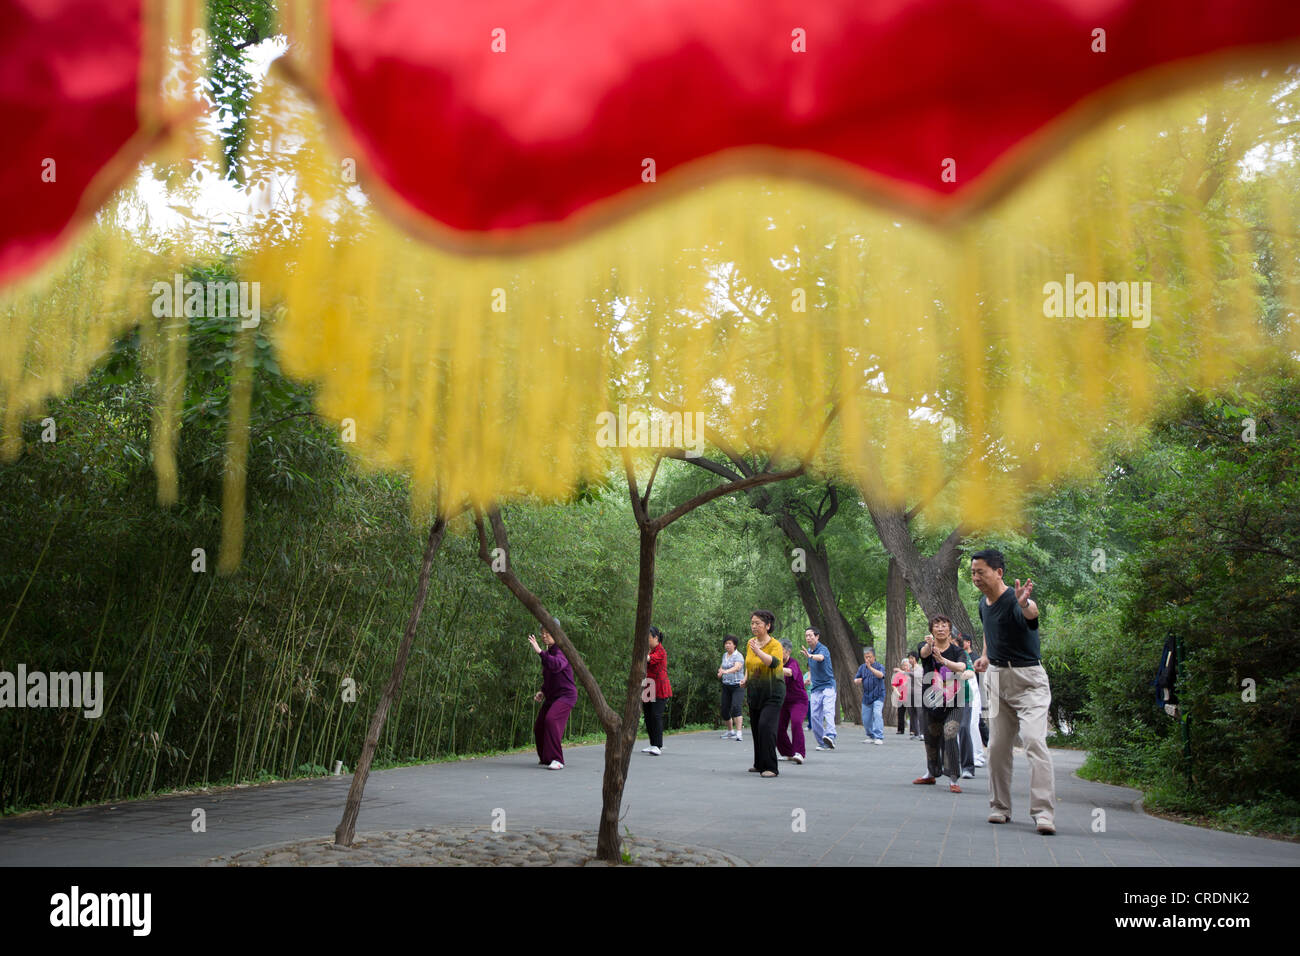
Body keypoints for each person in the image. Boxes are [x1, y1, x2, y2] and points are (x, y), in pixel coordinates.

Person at [970, 548, 1057, 834]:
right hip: (996, 678)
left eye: (980, 571)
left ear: (999, 572)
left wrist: (1024, 603)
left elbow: (1031, 615)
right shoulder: (984, 603)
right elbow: (988, 629)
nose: (976, 577)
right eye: (972, 572)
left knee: (1033, 741)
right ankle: (1000, 807)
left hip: (1028, 679)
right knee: (996, 747)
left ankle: (1043, 813)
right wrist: (985, 655)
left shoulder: (1014, 599)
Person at [912, 615, 971, 793]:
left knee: (950, 732)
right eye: (936, 625)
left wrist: (944, 661)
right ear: (931, 630)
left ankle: (953, 777)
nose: (940, 628)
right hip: (931, 700)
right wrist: (931, 647)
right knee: (931, 738)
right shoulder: (925, 647)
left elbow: (962, 667)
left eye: (944, 625)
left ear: (949, 630)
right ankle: (931, 772)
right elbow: (924, 654)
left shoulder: (957, 651)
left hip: (954, 701)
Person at [529, 621, 576, 770]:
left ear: (557, 633)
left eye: (548, 633)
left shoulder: (562, 650)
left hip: (566, 696)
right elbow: (549, 676)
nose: (544, 636)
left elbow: (556, 665)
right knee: (539, 727)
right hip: (553, 696)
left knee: (551, 719)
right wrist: (542, 691)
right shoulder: (548, 653)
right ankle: (546, 758)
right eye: (542, 633)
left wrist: (539, 652)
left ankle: (557, 759)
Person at [745, 610, 786, 777]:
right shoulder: (750, 643)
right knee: (756, 728)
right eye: (752, 623)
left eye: (758, 623)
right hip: (755, 692)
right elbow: (749, 664)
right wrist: (745, 679)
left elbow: (774, 663)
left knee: (765, 726)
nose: (754, 626)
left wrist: (759, 651)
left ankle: (771, 767)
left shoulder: (775, 645)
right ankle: (759, 763)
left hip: (773, 692)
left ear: (768, 626)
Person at [801, 626, 836, 749]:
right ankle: (823, 742)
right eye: (806, 636)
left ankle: (831, 735)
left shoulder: (823, 649)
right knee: (815, 717)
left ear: (817, 636)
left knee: (828, 710)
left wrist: (810, 656)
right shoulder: (809, 651)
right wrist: (809, 678)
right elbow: (811, 668)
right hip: (816, 688)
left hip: (828, 686)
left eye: (810, 635)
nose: (808, 638)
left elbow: (820, 658)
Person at [641, 625, 672, 756]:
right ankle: (652, 743)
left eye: (648, 638)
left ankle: (658, 745)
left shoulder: (660, 651)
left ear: (656, 638)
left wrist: (642, 653)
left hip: (659, 686)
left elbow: (649, 660)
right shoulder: (649, 650)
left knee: (656, 715)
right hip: (648, 684)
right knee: (648, 715)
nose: (647, 640)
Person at [775, 639, 807, 764]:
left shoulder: (793, 663)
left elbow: (789, 672)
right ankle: (788, 752)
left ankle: (799, 753)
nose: (777, 652)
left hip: (798, 700)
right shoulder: (776, 662)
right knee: (777, 726)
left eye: (780, 650)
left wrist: (773, 667)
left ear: (788, 652)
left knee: (796, 722)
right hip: (783, 701)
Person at [854, 647, 886, 744]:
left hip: (878, 695)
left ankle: (879, 736)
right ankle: (871, 736)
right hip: (867, 696)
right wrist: (857, 681)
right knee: (866, 719)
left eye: (870, 657)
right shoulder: (862, 668)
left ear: (874, 657)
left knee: (877, 714)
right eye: (866, 657)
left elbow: (881, 675)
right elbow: (856, 679)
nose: (867, 659)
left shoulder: (879, 666)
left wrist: (870, 668)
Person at [718, 635, 745, 741]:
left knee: (736, 707)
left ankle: (739, 732)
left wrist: (726, 671)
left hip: (738, 685)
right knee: (724, 709)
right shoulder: (725, 655)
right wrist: (720, 671)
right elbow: (722, 666)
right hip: (726, 685)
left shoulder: (738, 656)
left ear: (734, 645)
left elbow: (737, 667)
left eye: (729, 643)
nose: (727, 645)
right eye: (726, 643)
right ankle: (730, 731)